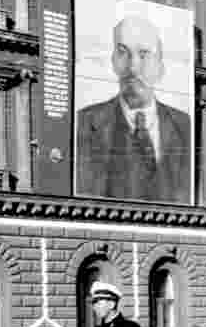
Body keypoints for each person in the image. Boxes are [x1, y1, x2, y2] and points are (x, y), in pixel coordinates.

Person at [76, 15, 191, 203]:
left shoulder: (184, 124)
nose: (133, 66)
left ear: (160, 66)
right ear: (113, 60)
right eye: (123, 52)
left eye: (144, 54)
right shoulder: (85, 121)